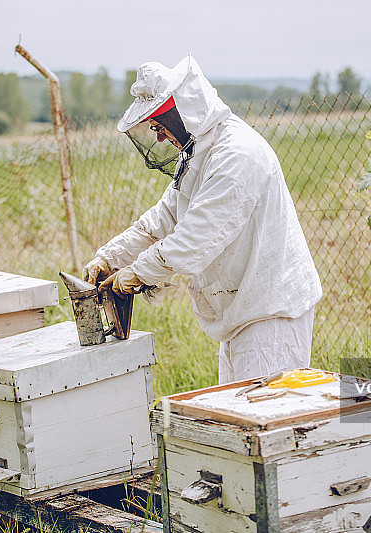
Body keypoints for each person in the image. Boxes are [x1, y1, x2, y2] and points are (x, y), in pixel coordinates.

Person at [83, 55, 322, 384]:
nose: (160, 138)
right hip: (241, 312)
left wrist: (136, 273)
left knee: (263, 422)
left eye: (159, 126)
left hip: (270, 316)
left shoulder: (237, 154)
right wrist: (109, 257)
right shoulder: (199, 157)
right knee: (237, 420)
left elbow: (195, 238)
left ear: (180, 113)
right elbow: (163, 219)